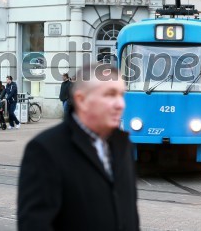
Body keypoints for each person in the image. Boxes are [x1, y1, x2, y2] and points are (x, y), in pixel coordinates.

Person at [18, 64, 139, 231]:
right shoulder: (45, 150)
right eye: (110, 95)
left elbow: (129, 212)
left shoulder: (123, 144)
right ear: (82, 100)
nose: (120, 104)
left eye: (121, 95)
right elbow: (35, 224)